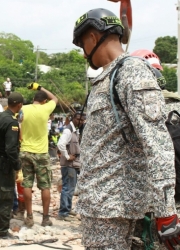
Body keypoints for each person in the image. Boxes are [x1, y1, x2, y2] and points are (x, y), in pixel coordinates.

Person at [72, 8, 178, 249]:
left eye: (82, 45)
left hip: (115, 208)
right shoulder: (107, 78)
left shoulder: (130, 71)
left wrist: (166, 210)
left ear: (92, 37)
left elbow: (157, 143)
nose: (84, 53)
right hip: (102, 207)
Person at [19, 83, 58, 227]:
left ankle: (29, 217)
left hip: (25, 151)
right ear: (44, 101)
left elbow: (19, 124)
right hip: (41, 153)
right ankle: (45, 218)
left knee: (27, 184)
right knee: (45, 186)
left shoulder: (23, 108)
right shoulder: (46, 108)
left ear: (34, 99)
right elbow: (55, 98)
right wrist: (40, 87)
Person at [0, 92, 23, 239]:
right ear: (19, 105)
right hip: (4, 164)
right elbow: (11, 148)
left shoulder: (0, 117)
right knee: (5, 197)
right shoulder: (12, 122)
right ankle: (2, 231)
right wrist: (17, 166)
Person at [56, 113, 82, 222]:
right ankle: (63, 212)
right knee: (67, 187)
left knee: (71, 187)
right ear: (73, 119)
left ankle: (67, 208)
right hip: (69, 164)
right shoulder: (68, 131)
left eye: (82, 120)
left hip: (74, 164)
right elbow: (60, 144)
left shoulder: (75, 131)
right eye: (78, 119)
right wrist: (67, 156)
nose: (81, 121)